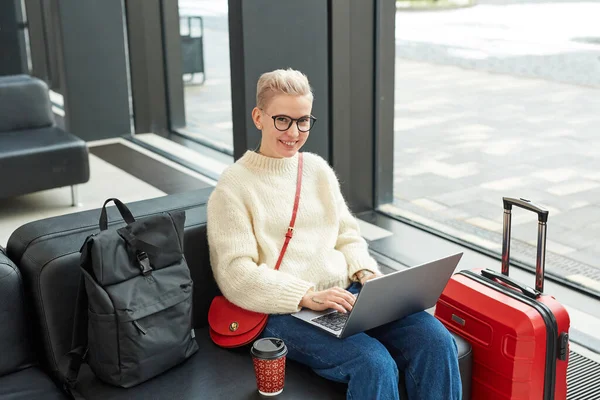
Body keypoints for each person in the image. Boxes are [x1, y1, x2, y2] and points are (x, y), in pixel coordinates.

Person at [206, 68, 461, 399]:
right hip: (287, 309)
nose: (294, 132)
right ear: (259, 117)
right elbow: (235, 274)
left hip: (347, 296)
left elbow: (347, 233)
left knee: (435, 340)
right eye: (282, 120)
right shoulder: (234, 186)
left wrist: (365, 272)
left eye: (303, 121)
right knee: (374, 363)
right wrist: (306, 296)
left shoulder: (316, 169)